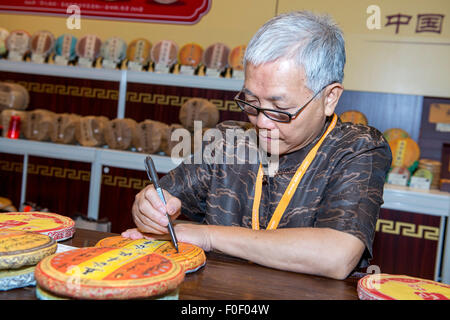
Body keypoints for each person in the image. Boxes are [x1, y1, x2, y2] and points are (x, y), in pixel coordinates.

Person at [122, 11, 392, 280]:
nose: (262, 122)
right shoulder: (228, 141)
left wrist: (208, 236)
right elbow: (165, 198)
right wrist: (148, 207)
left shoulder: (358, 149)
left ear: (329, 97)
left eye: (280, 108)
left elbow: (336, 255)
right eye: (251, 102)